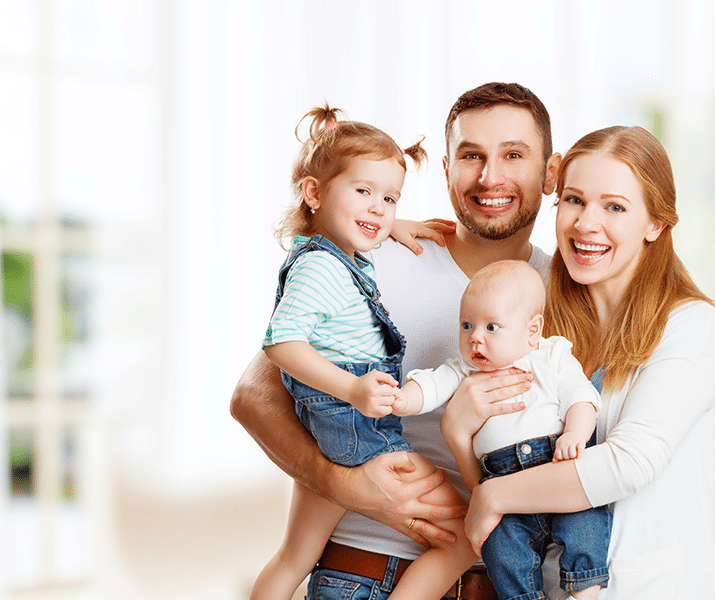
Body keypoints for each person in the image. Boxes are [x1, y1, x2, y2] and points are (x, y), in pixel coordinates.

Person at [231, 82, 561, 600]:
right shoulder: (368, 258)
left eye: (513, 155)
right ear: (448, 169)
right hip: (364, 569)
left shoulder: (565, 290)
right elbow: (252, 396)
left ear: (551, 171)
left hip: (508, 581)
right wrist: (341, 483)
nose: (489, 176)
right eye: (471, 156)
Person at [445, 126, 715, 599]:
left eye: (615, 207)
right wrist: (459, 437)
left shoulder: (693, 327)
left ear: (655, 224)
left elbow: (627, 463)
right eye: (575, 200)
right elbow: (504, 476)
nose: (585, 224)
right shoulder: (539, 335)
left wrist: (492, 494)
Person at [250, 104, 478, 600]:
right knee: (465, 536)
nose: (378, 208)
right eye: (364, 192)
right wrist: (351, 387)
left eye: (389, 198)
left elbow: (353, 224)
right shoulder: (322, 269)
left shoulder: (330, 255)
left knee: (293, 558)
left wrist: (386, 221)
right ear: (314, 192)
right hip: (354, 431)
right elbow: (280, 342)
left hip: (333, 427)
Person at [393, 259, 610, 600]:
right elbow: (432, 385)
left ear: (532, 330)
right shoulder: (464, 369)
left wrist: (575, 434)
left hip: (554, 464)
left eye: (491, 327)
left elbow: (582, 398)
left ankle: (585, 584)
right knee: (501, 546)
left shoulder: (552, 356)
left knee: (584, 517)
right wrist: (402, 400)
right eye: (466, 325)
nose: (475, 338)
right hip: (500, 479)